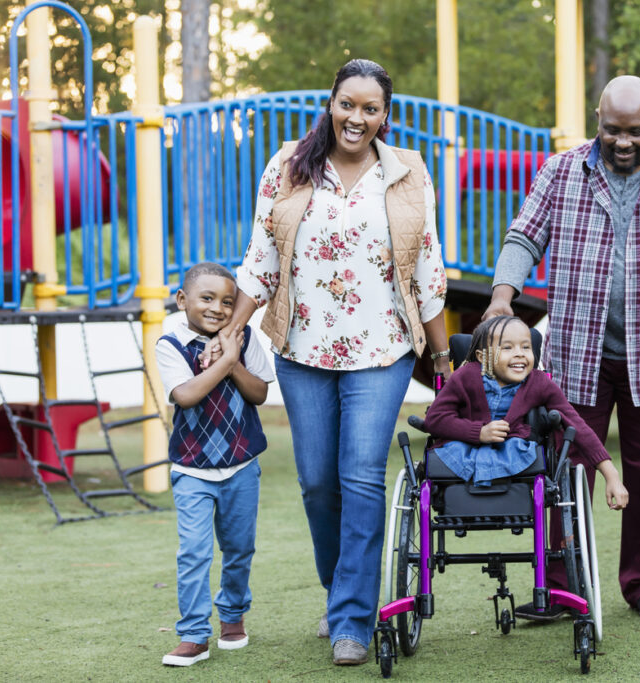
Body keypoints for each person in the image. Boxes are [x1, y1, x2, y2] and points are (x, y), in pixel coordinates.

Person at [214, 59, 451, 666]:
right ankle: (337, 588)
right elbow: (261, 257)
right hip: (302, 344)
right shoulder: (289, 166)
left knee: (362, 475)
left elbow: (427, 272)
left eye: (371, 108)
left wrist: (443, 355)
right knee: (318, 482)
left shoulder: (407, 175)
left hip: (382, 348)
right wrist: (236, 329)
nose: (358, 117)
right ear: (332, 103)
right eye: (349, 103)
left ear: (384, 116)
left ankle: (352, 618)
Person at [484, 75, 640, 619]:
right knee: (563, 469)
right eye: (612, 131)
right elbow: (524, 236)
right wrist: (502, 297)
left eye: (636, 133)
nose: (623, 143)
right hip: (577, 354)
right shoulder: (561, 170)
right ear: (596, 119)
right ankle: (559, 583)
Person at [155, 262, 274, 667]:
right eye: (207, 299)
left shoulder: (245, 338)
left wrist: (233, 356)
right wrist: (223, 363)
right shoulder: (170, 344)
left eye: (227, 301)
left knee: (239, 549)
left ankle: (233, 617)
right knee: (193, 553)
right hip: (192, 471)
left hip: (241, 468)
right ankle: (192, 635)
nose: (218, 308)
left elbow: (258, 392)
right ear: (183, 300)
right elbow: (185, 395)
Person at [422, 315, 628, 509]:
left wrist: (611, 475)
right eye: (508, 347)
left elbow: (577, 425)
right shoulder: (464, 376)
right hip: (462, 450)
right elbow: (434, 419)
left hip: (514, 450)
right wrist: (478, 432)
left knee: (538, 459)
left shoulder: (539, 382)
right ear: (482, 357)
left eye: (526, 347)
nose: (520, 353)